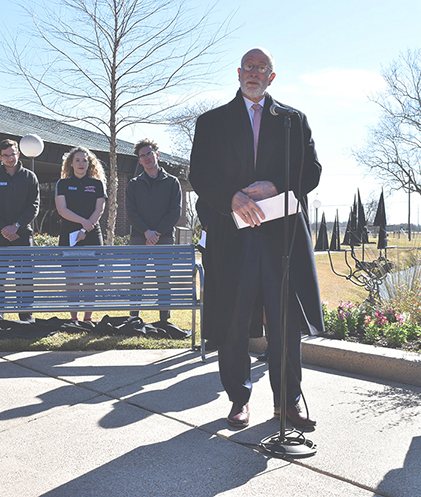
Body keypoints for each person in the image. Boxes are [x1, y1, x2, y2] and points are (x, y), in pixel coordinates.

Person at [189, 47, 324, 429]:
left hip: (282, 239)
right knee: (234, 320)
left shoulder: (293, 121)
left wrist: (276, 185)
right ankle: (238, 399)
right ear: (238, 73)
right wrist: (231, 197)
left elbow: (311, 171)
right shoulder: (212, 122)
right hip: (233, 239)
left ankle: (288, 402)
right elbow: (200, 175)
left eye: (261, 68)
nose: (254, 72)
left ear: (271, 77)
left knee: (286, 322)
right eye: (248, 67)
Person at [0, 139, 40, 322]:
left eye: (13, 154)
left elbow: (34, 206)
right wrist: (2, 228)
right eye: (6, 155)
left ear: (18, 154)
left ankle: (26, 319)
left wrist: (16, 226)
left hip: (22, 234)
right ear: (0, 157)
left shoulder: (30, 177)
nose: (10, 158)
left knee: (25, 279)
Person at [125, 138, 182, 323]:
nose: (147, 158)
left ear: (156, 155)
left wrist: (156, 232)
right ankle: (133, 319)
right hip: (138, 237)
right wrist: (146, 232)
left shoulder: (172, 182)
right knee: (136, 280)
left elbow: (175, 212)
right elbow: (131, 213)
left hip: (164, 237)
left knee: (163, 280)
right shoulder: (133, 184)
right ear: (139, 161)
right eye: (143, 156)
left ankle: (164, 321)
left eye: (149, 153)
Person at [55, 146, 107, 321]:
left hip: (91, 233)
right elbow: (62, 210)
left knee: (89, 279)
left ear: (89, 163)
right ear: (71, 163)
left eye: (84, 160)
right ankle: (74, 318)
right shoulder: (62, 184)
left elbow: (99, 210)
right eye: (77, 160)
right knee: (71, 280)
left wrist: (85, 228)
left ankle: (87, 318)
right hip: (69, 235)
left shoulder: (97, 184)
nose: (81, 163)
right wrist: (82, 222)